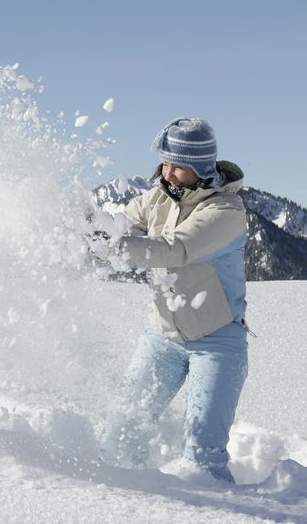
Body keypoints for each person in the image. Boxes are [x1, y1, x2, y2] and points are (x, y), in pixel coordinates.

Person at [99, 117, 249, 482]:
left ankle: (219, 512)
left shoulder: (226, 211)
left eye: (178, 166)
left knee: (203, 457)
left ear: (201, 167)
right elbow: (122, 223)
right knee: (121, 434)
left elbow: (174, 250)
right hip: (161, 336)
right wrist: (87, 229)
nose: (168, 173)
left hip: (216, 342)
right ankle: (126, 501)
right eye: (165, 163)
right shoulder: (158, 197)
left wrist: (111, 246)